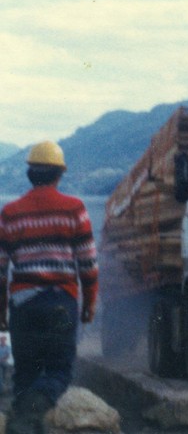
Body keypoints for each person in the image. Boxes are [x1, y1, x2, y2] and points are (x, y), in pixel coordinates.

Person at [0, 141, 99, 434]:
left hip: (23, 306)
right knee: (59, 372)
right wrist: (89, 304)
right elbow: (89, 265)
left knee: (25, 375)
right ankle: (29, 412)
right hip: (61, 303)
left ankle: (24, 418)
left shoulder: (10, 213)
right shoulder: (74, 209)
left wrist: (2, 312)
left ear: (31, 174)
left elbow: (1, 272)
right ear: (59, 174)